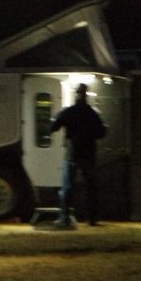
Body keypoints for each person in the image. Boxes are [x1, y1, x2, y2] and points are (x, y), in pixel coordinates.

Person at [48, 82, 106, 227]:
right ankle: (92, 219)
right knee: (91, 187)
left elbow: (54, 127)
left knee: (67, 188)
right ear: (86, 95)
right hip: (88, 154)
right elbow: (101, 132)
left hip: (72, 154)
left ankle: (65, 217)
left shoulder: (69, 111)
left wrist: (54, 119)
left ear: (76, 94)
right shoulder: (92, 113)